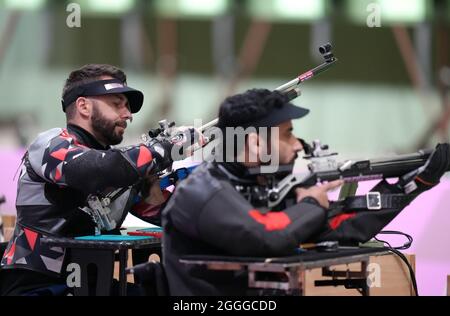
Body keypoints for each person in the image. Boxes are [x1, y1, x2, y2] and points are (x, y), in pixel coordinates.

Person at [162, 88, 450, 296]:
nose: (298, 144)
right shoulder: (202, 191)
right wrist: (312, 202)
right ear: (254, 144)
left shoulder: (264, 185)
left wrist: (410, 186)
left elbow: (339, 229)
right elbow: (266, 235)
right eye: (287, 133)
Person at [0, 64, 201, 295]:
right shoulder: (49, 145)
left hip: (93, 287)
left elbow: (169, 216)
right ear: (83, 106)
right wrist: (165, 148)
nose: (128, 115)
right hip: (36, 286)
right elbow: (97, 169)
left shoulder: (122, 166)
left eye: (127, 107)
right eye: (117, 104)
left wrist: (156, 184)